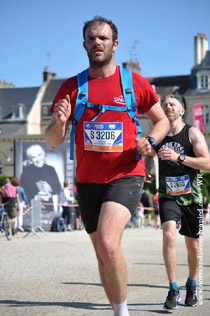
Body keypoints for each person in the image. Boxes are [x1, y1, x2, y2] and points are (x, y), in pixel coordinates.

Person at [45, 16, 169, 316]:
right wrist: (60, 122)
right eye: (91, 38)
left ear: (114, 44)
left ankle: (122, 312)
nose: (96, 42)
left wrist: (150, 142)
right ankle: (117, 309)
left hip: (125, 173)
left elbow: (161, 120)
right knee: (103, 254)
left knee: (107, 243)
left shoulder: (134, 83)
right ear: (84, 44)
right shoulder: (72, 88)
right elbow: (52, 141)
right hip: (87, 180)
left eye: (102, 38)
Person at [144, 94, 210, 310]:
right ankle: (173, 288)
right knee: (168, 234)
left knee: (192, 246)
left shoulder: (192, 133)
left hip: (192, 196)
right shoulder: (158, 134)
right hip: (167, 195)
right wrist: (147, 171)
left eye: (172, 104)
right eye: (164, 104)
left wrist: (179, 157)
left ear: (182, 110)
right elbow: (149, 155)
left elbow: (207, 163)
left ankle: (191, 284)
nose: (167, 106)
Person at [20, 144, 61, 211]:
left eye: (39, 155)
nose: (38, 159)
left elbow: (58, 188)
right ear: (30, 159)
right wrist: (36, 197)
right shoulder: (26, 172)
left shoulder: (51, 170)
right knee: (36, 221)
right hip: (34, 207)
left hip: (49, 207)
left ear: (43, 154)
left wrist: (50, 189)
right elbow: (23, 192)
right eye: (34, 157)